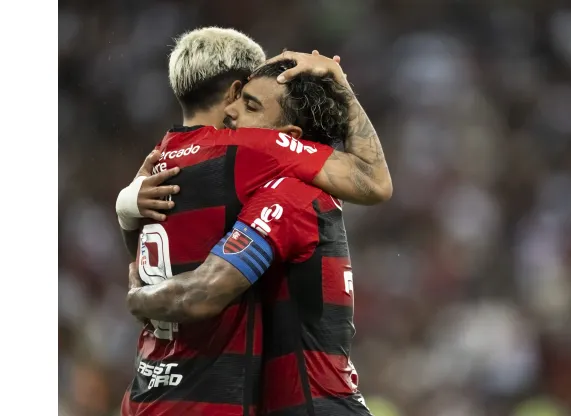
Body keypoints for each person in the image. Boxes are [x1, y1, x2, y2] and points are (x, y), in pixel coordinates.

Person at [118, 28, 389, 416]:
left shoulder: (285, 192)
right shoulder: (254, 178)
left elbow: (203, 292)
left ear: (290, 136)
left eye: (251, 105)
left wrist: (136, 294)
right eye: (240, 98)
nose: (232, 112)